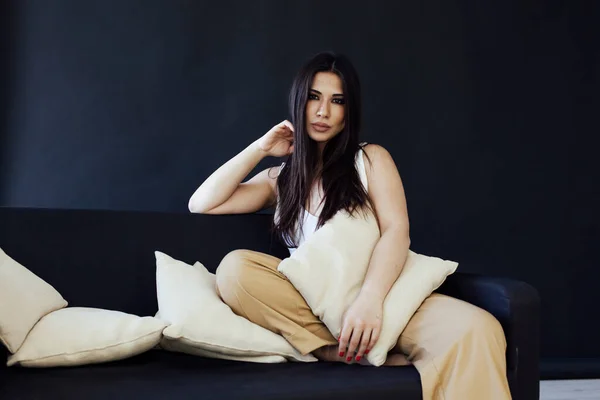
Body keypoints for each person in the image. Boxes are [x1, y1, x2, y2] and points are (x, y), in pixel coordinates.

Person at [188, 51, 511, 400]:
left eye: (337, 101)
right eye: (314, 97)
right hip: (325, 311)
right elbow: (202, 204)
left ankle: (356, 346)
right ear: (299, 102)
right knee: (235, 269)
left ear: (348, 111)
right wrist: (261, 147)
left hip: (390, 298)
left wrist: (370, 301)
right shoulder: (278, 181)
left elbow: (396, 230)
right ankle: (340, 351)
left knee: (478, 328)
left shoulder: (370, 158)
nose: (323, 111)